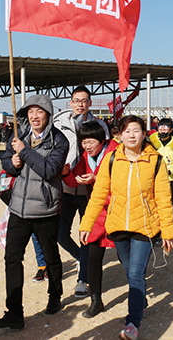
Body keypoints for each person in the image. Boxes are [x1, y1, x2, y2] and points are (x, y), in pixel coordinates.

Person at [79, 115, 173, 340]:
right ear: (119, 135)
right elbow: (98, 194)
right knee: (130, 270)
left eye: (136, 130)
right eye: (127, 131)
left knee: (134, 272)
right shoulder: (112, 159)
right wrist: (87, 224)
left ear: (144, 133)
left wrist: (168, 232)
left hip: (145, 226)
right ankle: (140, 301)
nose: (131, 135)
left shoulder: (156, 161)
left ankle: (132, 323)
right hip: (118, 225)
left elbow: (163, 198)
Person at [0, 94, 69, 329]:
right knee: (12, 259)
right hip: (19, 208)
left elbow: (50, 169)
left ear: (48, 115)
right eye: (30, 112)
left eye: (40, 111)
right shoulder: (18, 136)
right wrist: (11, 163)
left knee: (51, 255)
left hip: (45, 209)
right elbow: (5, 161)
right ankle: (14, 312)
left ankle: (55, 296)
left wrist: (24, 152)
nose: (34, 116)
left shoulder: (59, 141)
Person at [53, 85, 109, 298]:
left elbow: (104, 155)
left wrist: (97, 178)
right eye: (76, 100)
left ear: (90, 103)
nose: (80, 104)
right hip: (66, 186)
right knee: (60, 234)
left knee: (88, 234)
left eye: (84, 100)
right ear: (70, 102)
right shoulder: (59, 123)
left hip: (89, 191)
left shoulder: (100, 125)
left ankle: (83, 279)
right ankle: (79, 257)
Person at [62, 121, 118, 318]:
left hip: (119, 212)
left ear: (102, 140)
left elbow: (124, 181)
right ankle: (96, 300)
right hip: (97, 213)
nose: (87, 145)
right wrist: (65, 172)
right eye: (83, 141)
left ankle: (140, 297)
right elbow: (73, 179)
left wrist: (97, 179)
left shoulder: (117, 152)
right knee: (93, 256)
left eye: (91, 140)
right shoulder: (85, 157)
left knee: (126, 257)